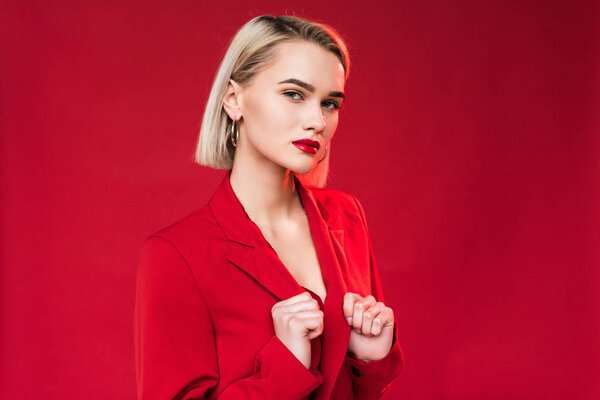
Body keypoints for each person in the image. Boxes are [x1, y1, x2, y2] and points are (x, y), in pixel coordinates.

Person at [134, 14, 403, 400]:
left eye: (330, 103)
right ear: (233, 99)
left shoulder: (347, 216)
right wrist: (284, 367)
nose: (317, 121)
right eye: (294, 94)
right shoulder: (175, 255)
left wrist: (371, 361)